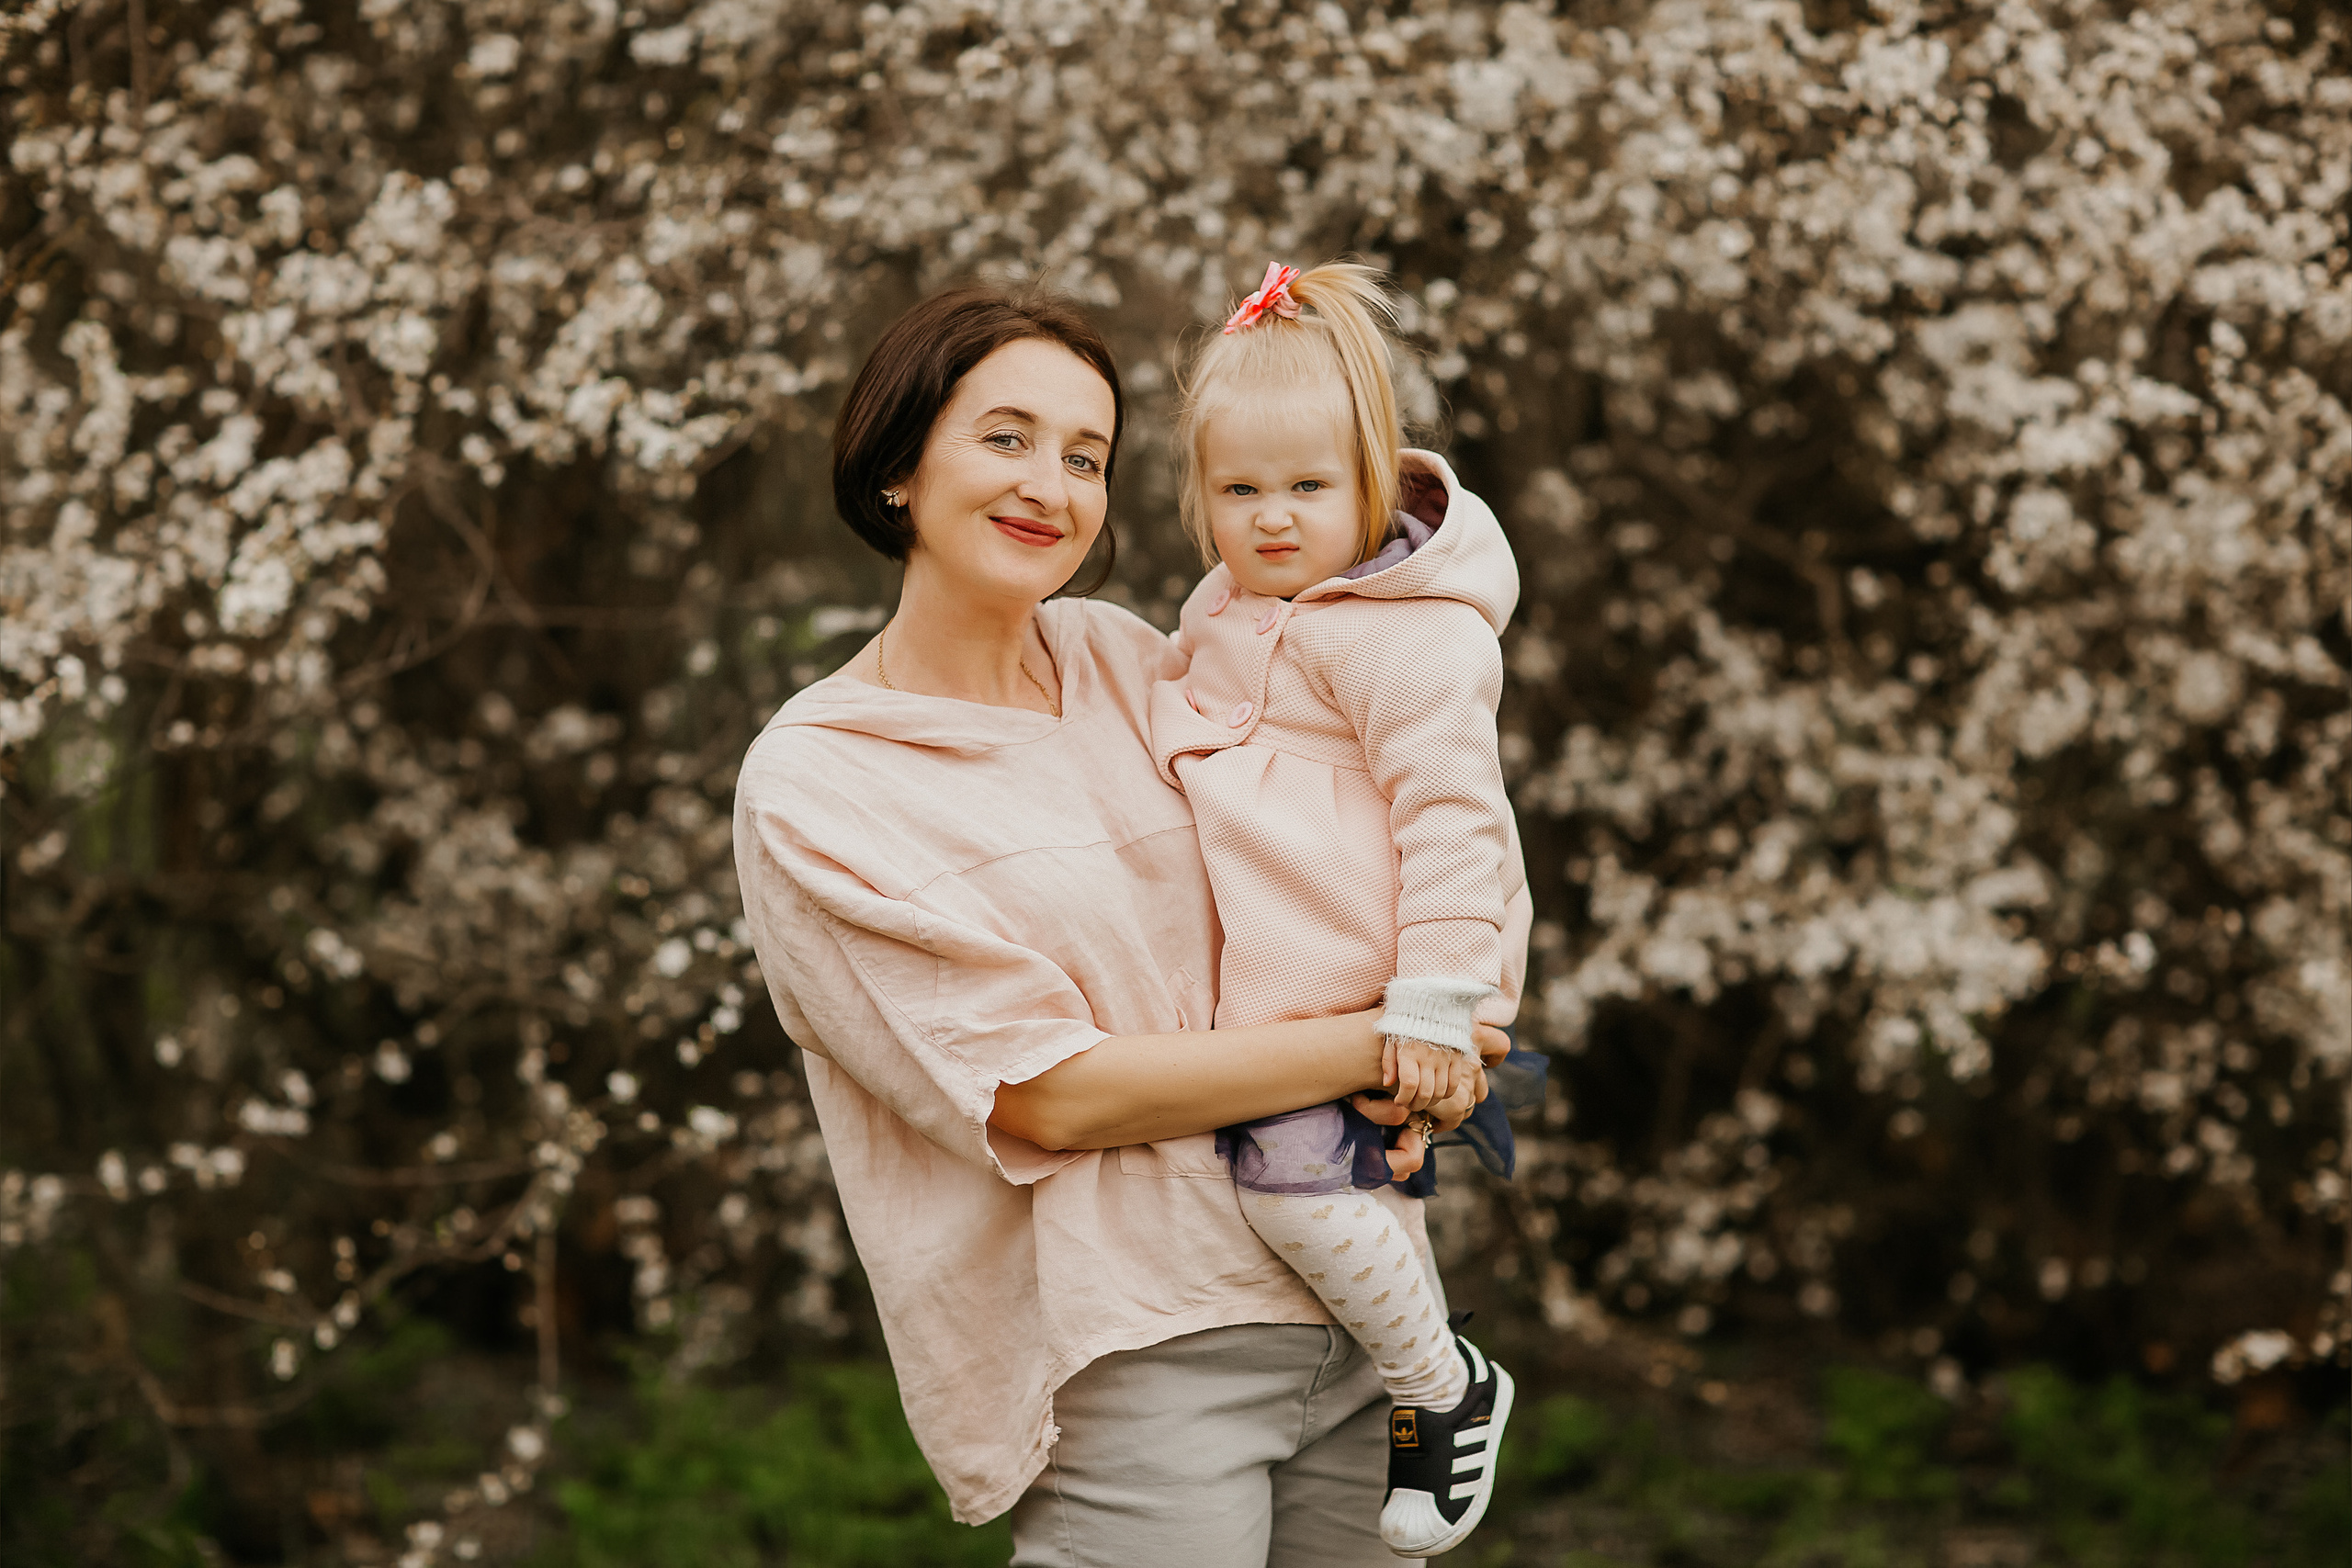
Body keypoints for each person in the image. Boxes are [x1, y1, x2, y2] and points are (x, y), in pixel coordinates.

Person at [730, 284, 1505, 1566]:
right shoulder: (825, 778)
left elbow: (1404, 816)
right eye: (1007, 438)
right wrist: (1388, 1042)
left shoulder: (1127, 659)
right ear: (895, 468)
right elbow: (1046, 1097)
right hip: (1148, 1348)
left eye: (1086, 457)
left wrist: (1457, 1029)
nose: (1052, 484)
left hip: (1368, 1309)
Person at [1150, 261, 1532, 1558]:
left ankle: (1443, 1385)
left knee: (1292, 1200)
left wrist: (1434, 1007)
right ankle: (1422, 1385)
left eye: (1307, 488)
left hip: (1368, 989)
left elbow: (1455, 825)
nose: (1271, 519)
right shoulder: (1223, 611)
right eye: (1238, 490)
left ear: (1377, 479)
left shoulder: (1413, 639)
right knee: (1352, 1208)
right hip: (1279, 986)